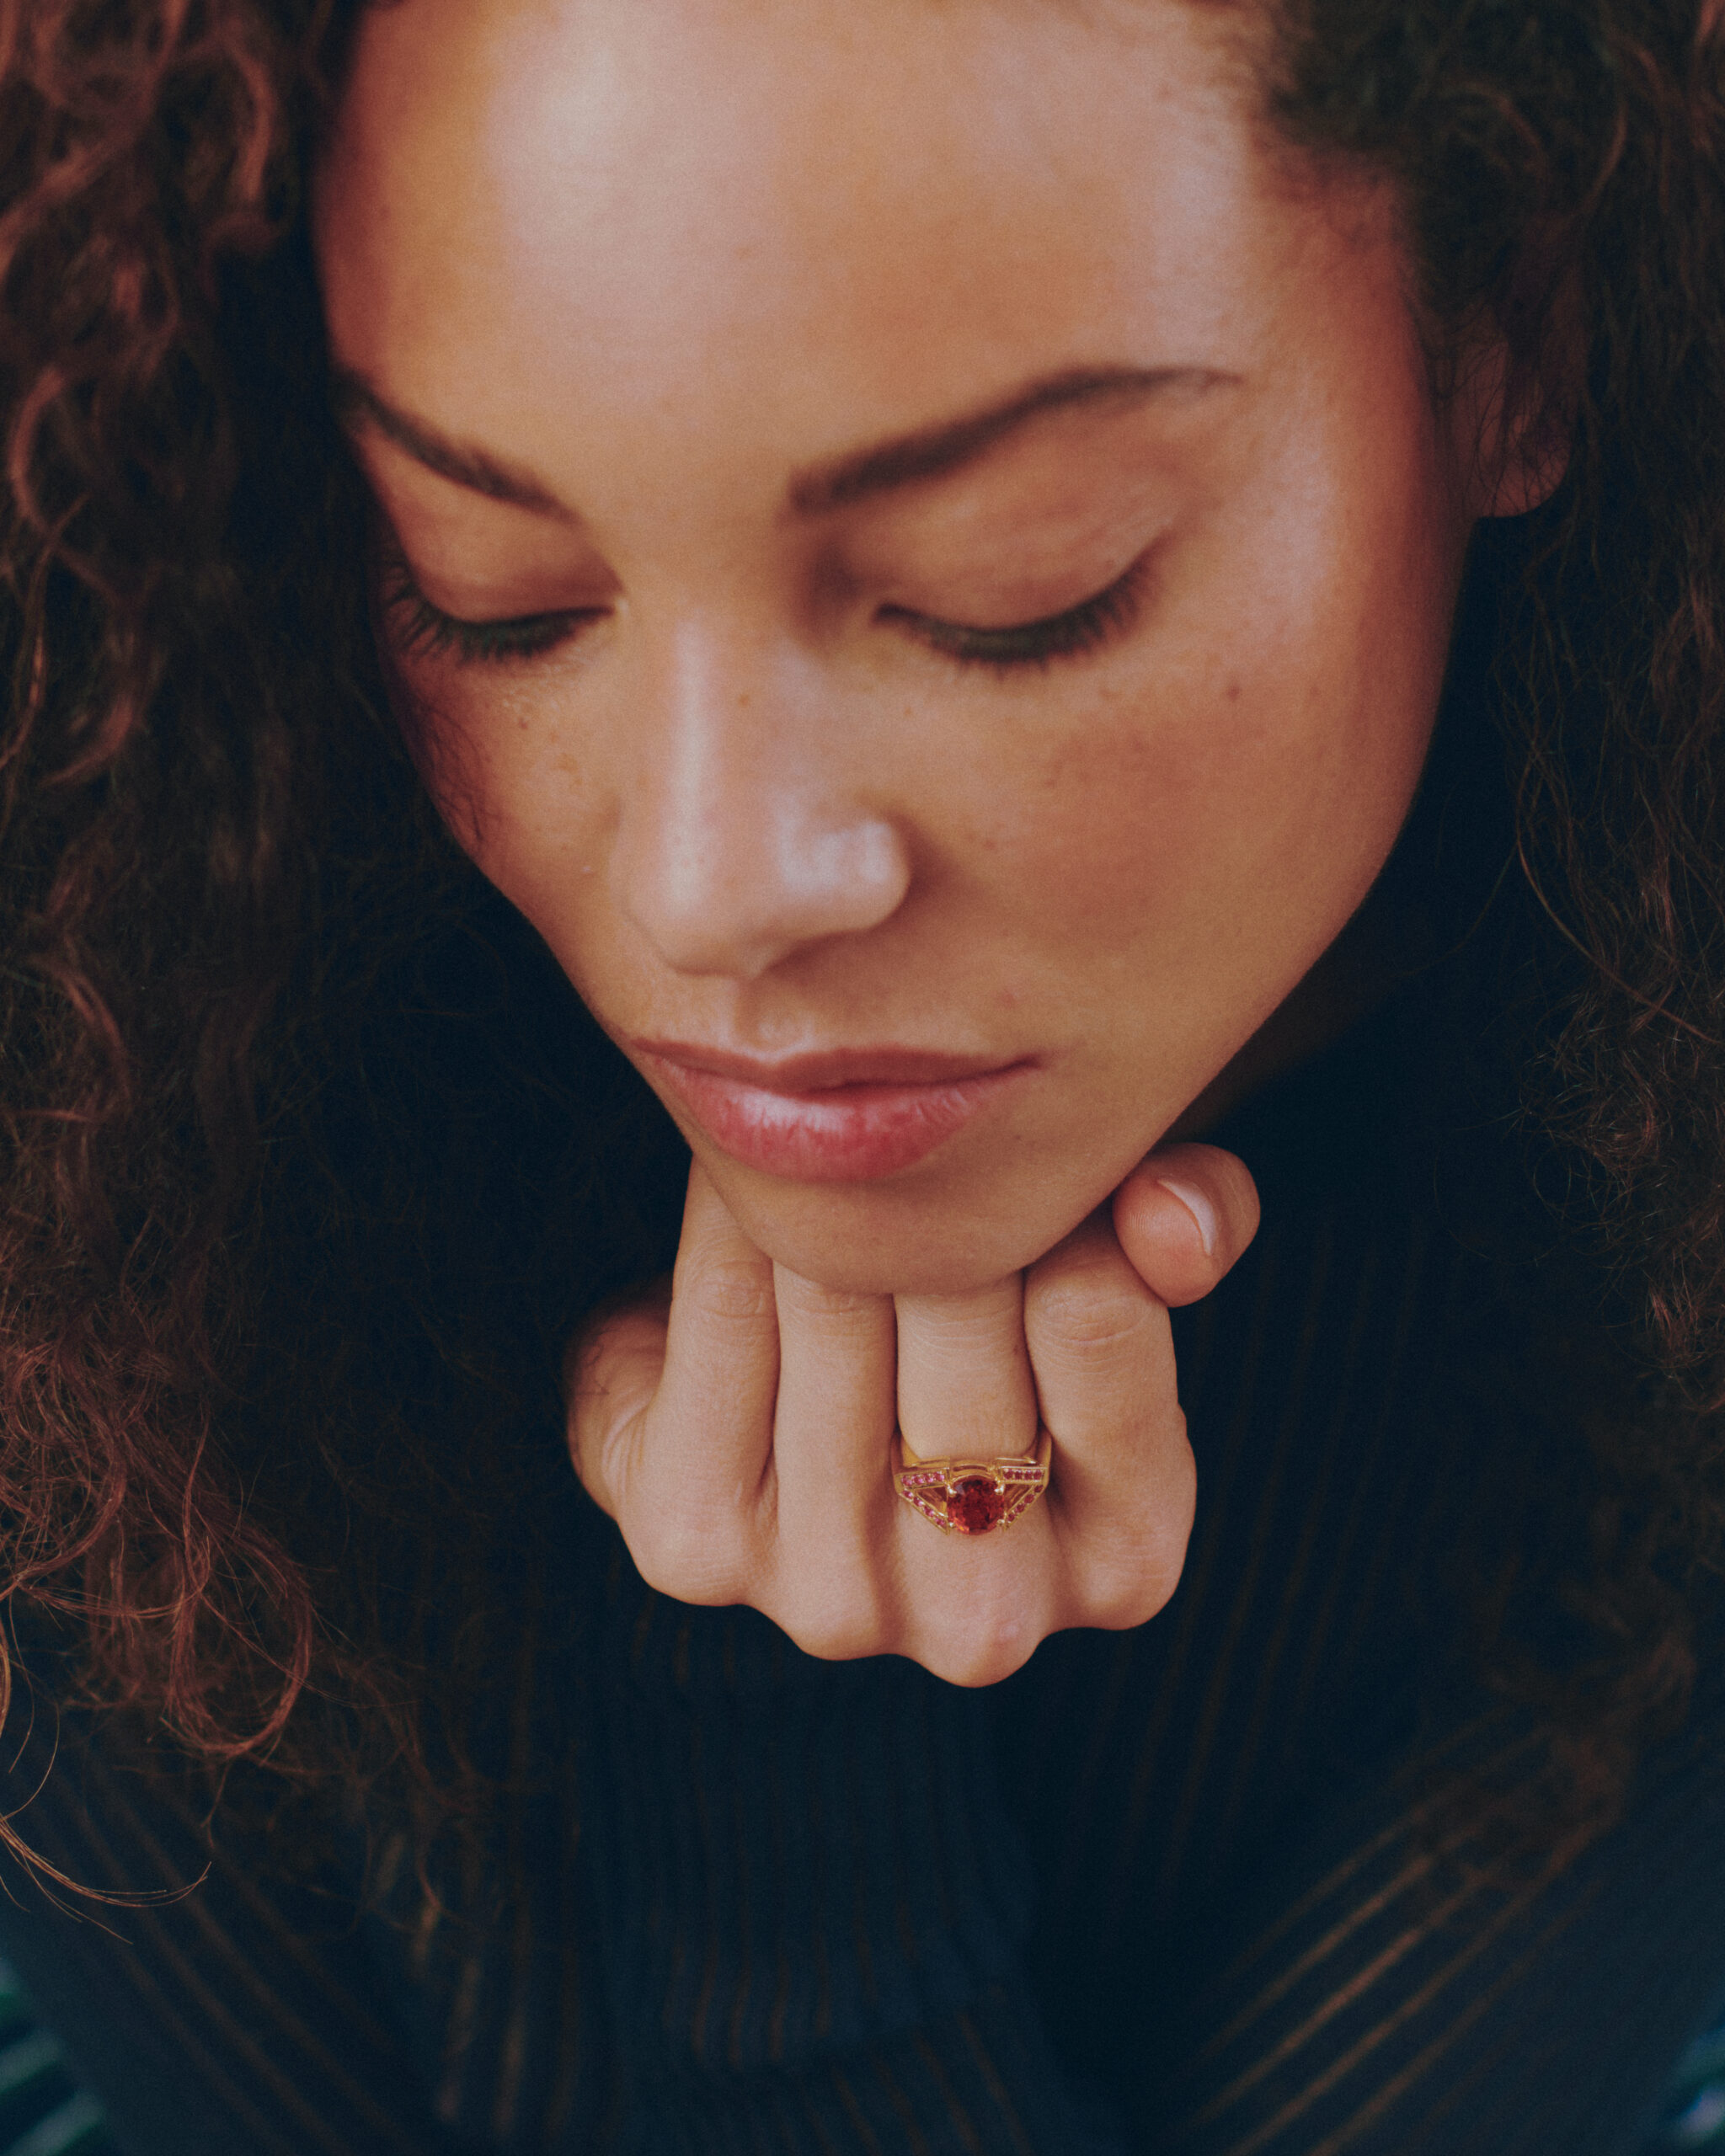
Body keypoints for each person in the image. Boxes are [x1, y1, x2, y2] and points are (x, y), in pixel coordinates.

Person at [0, 0, 1722, 2149]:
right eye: (497, 597)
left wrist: (786, 1730)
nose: (716, 889)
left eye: (1012, 597)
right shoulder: (87, 1161)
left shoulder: (1660, 1292)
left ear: (1515, 331)